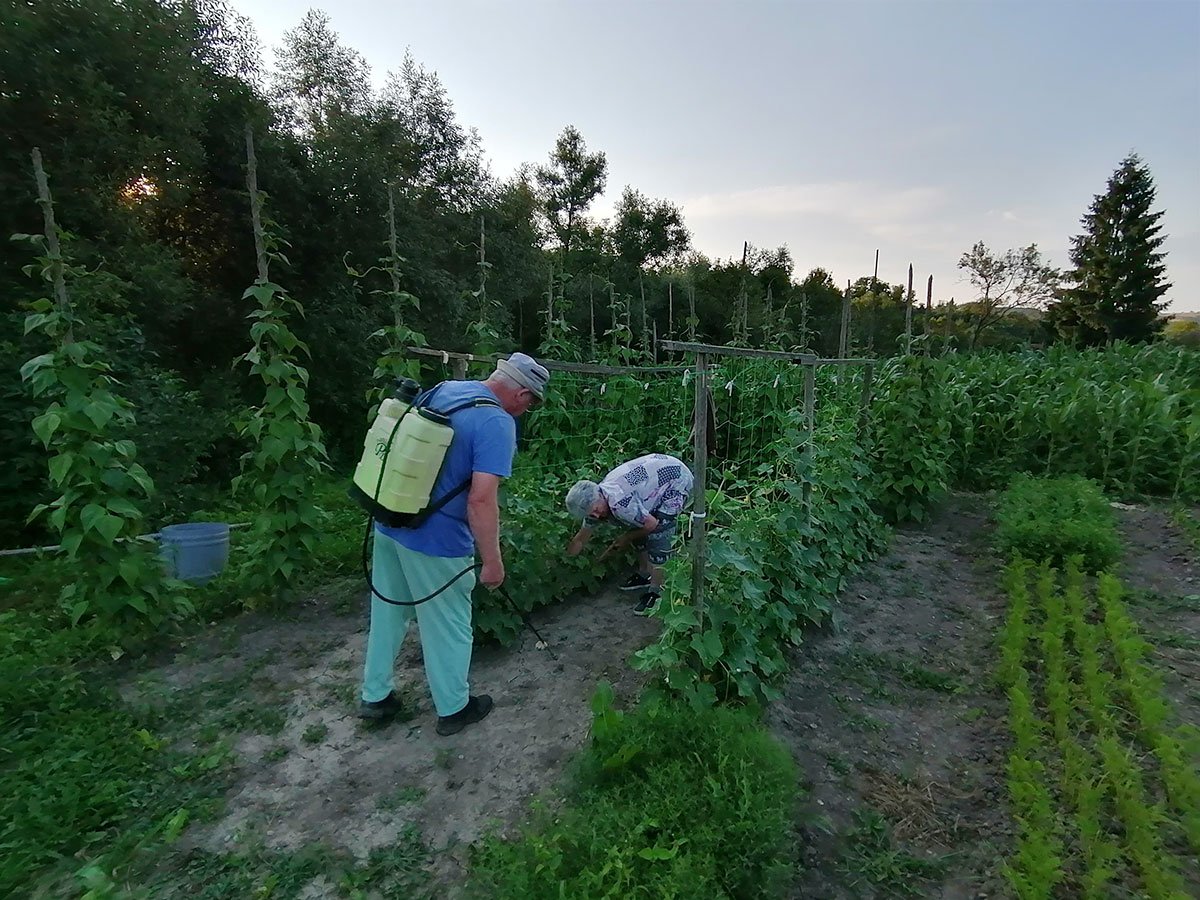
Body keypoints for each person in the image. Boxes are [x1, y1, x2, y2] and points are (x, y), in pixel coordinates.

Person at [359, 352, 550, 735]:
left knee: (388, 614)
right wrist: (492, 562)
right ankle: (453, 708)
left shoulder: (447, 389)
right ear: (523, 395)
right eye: (530, 403)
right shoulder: (496, 422)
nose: (526, 411)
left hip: (391, 518)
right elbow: (480, 499)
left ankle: (375, 696)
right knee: (447, 625)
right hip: (437, 539)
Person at [564, 453, 693, 616]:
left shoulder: (620, 503)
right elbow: (581, 538)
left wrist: (626, 538)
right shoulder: (597, 499)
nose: (596, 516)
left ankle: (657, 591)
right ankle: (645, 573)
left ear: (598, 495)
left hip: (676, 479)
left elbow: (651, 524)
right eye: (591, 514)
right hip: (656, 477)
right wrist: (565, 564)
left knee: (659, 534)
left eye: (596, 510)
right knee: (635, 526)